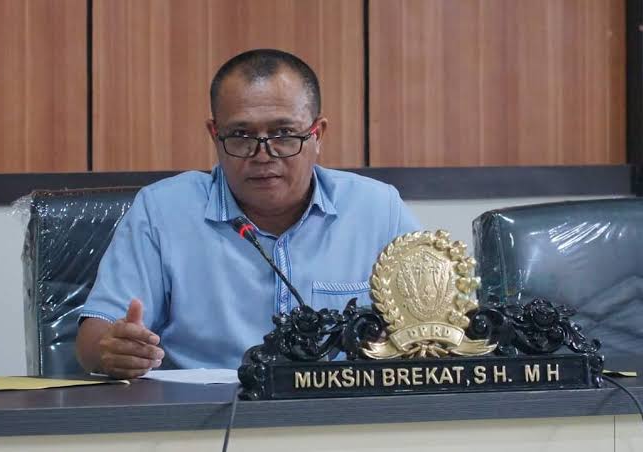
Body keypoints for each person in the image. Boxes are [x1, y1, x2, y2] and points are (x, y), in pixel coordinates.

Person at [75, 49, 421, 379]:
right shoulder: (162, 211)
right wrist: (113, 349)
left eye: (284, 134)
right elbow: (94, 336)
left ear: (318, 134)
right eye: (241, 135)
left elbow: (436, 324)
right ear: (215, 135)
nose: (263, 154)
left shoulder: (378, 210)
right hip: (203, 413)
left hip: (338, 412)